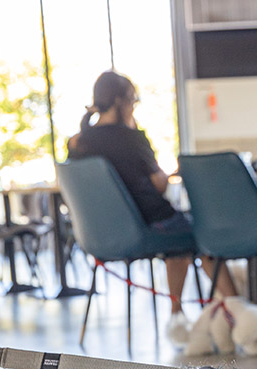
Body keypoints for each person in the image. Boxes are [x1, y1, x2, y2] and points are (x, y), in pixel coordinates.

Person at [67, 70, 236, 345]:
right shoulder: (131, 138)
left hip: (101, 234)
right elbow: (159, 185)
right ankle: (236, 310)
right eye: (133, 100)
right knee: (204, 235)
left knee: (178, 242)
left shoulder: (77, 143)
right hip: (149, 223)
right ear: (121, 101)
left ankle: (178, 316)